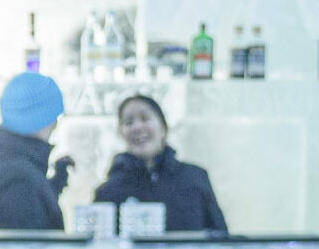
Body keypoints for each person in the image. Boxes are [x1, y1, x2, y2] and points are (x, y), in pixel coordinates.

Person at [94, 94, 228, 233]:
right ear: (121, 133)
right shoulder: (108, 193)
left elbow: (221, 239)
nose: (137, 127)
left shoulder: (195, 178)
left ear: (163, 127)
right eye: (128, 122)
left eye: (145, 118)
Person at [0, 71, 76, 230]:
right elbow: (23, 245)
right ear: (42, 118)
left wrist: (56, 182)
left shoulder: (3, 159)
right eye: (55, 116)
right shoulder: (18, 177)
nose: (56, 124)